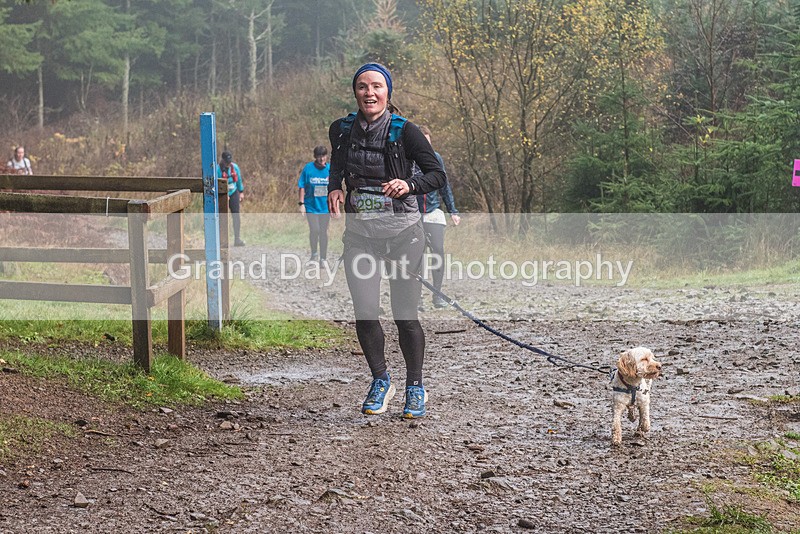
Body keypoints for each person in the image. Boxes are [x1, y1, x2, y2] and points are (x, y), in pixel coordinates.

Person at [328, 62, 447, 419]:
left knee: (405, 316)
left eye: (376, 86)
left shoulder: (406, 131)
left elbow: (437, 175)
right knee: (365, 313)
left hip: (403, 236)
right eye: (363, 86)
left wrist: (408, 184)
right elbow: (337, 164)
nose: (369, 93)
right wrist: (335, 187)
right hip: (360, 237)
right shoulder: (341, 129)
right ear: (355, 92)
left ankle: (415, 386)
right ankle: (381, 380)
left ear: (387, 92)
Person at [415, 125, 461, 310]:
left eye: (428, 142)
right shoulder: (408, 160)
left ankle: (437, 295)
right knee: (416, 256)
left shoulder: (436, 158)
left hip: (433, 211)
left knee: (438, 252)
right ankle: (416, 297)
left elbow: (444, 185)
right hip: (413, 213)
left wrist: (453, 211)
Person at [297, 146, 331, 263]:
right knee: (315, 229)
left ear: (326, 156)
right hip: (311, 206)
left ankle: (323, 258)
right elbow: (301, 186)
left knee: (323, 232)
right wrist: (301, 204)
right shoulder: (308, 168)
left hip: (325, 207)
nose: (321, 159)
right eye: (319, 156)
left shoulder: (330, 169)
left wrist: (335, 206)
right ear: (315, 157)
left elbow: (334, 189)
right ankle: (314, 253)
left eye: (323, 156)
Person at [217, 151, 246, 247]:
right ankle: (222, 241)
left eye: (229, 162)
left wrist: (241, 192)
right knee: (222, 217)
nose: (228, 164)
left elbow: (239, 180)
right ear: (223, 160)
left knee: (236, 215)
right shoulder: (218, 169)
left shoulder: (235, 167)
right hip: (222, 194)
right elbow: (217, 184)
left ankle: (237, 239)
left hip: (234, 192)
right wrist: (224, 195)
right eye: (226, 162)